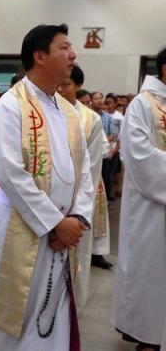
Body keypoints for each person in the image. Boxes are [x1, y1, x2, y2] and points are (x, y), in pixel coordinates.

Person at [0, 24, 93, 351]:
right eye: (64, 47)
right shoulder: (11, 105)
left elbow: (85, 171)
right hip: (21, 225)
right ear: (40, 56)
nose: (72, 55)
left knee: (52, 313)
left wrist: (78, 218)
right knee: (15, 317)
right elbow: (7, 170)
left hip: (62, 230)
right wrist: (55, 222)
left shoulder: (69, 111)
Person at [112, 47, 166, 351]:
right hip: (151, 206)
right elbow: (138, 155)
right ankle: (146, 334)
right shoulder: (142, 105)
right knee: (150, 270)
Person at [57, 65, 107, 311]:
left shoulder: (90, 119)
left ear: (77, 86)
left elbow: (94, 166)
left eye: (66, 84)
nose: (61, 89)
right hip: (50, 200)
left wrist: (78, 208)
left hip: (77, 200)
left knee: (76, 254)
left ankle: (71, 306)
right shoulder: (46, 111)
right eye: (59, 84)